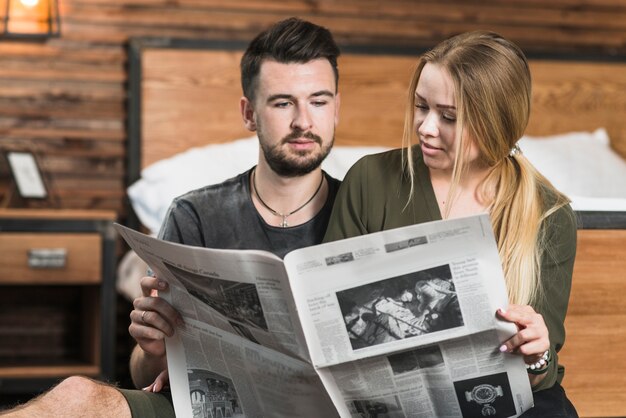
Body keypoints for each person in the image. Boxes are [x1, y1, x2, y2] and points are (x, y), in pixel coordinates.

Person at [1, 17, 341, 418]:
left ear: (337, 107)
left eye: (319, 101)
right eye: (283, 103)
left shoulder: (365, 205)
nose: (303, 121)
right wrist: (153, 349)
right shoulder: (194, 215)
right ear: (249, 114)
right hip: (213, 407)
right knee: (76, 395)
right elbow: (141, 369)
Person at [324, 31, 578, 416]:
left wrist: (537, 355)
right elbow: (328, 318)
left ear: (496, 123)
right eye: (421, 106)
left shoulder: (548, 215)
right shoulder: (370, 180)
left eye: (448, 117)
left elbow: (543, 371)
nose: (425, 127)